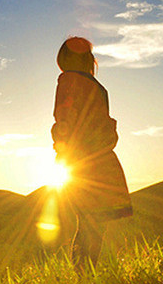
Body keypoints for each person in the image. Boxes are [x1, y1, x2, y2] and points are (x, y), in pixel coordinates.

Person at [51, 37, 132, 266]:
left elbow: (65, 116)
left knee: (86, 221)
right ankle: (86, 276)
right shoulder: (99, 88)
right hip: (101, 160)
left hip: (80, 159)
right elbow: (103, 125)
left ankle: (82, 278)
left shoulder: (68, 80)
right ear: (89, 60)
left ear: (63, 59)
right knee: (95, 223)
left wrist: (62, 147)